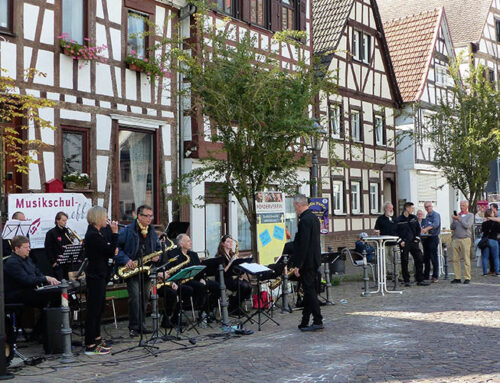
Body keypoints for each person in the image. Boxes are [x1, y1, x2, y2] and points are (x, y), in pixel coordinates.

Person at [115, 205, 161, 337]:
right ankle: (134, 327)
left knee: (145, 297)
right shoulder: (128, 230)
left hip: (147, 269)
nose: (149, 219)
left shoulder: (152, 231)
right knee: (134, 298)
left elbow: (157, 247)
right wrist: (126, 260)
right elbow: (117, 248)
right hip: (132, 268)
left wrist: (157, 256)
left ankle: (142, 325)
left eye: (151, 216)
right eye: (146, 216)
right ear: (139, 216)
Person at [4, 236, 61, 340]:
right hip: (17, 294)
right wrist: (45, 278)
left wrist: (46, 281)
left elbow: (37, 273)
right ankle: (40, 333)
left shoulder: (28, 259)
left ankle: (41, 332)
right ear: (17, 249)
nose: (29, 249)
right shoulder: (12, 263)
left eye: (29, 246)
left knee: (56, 297)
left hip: (28, 291)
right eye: (26, 247)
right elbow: (26, 280)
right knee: (50, 300)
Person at [83, 207, 118, 355]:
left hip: (101, 274)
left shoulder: (97, 233)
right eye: (104, 217)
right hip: (95, 275)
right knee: (94, 309)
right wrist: (115, 234)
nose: (107, 219)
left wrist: (111, 247)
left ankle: (97, 338)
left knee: (100, 307)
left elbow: (109, 249)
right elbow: (110, 250)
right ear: (97, 218)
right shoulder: (92, 235)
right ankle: (90, 344)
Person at [292, 194, 323, 331]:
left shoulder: (304, 220)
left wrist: (298, 264)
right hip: (314, 259)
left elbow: (303, 244)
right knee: (309, 291)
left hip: (307, 261)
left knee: (310, 291)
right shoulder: (314, 218)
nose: (295, 210)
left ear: (299, 205)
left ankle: (317, 319)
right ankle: (305, 320)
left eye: (295, 207)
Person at [395, 202, 429, 287]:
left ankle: (420, 279)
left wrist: (417, 239)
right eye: (411, 208)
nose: (413, 210)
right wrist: (400, 241)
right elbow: (395, 232)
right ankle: (406, 280)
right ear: (407, 208)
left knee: (419, 259)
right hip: (404, 243)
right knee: (404, 261)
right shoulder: (399, 220)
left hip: (414, 242)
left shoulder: (414, 218)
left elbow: (418, 229)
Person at [216, 235, 252, 314]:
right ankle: (233, 307)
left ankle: (236, 304)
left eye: (231, 241)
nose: (231, 243)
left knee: (249, 286)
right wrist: (231, 262)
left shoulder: (232, 254)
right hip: (224, 279)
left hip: (233, 278)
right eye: (228, 241)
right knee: (244, 286)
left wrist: (241, 274)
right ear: (223, 244)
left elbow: (236, 268)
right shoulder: (220, 256)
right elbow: (223, 271)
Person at [450, 200, 474, 284]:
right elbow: (452, 227)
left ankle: (467, 277)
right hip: (456, 238)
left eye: (463, 205)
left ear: (467, 206)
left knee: (466, 258)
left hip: (465, 239)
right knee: (455, 259)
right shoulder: (458, 215)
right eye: (460, 205)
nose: (461, 207)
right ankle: (457, 277)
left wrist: (459, 219)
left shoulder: (470, 215)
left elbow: (467, 225)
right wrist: (454, 220)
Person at [44, 211, 73, 280]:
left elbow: (67, 244)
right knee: (60, 282)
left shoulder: (66, 231)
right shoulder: (51, 233)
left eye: (66, 221)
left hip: (66, 261)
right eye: (63, 220)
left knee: (67, 282)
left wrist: (71, 241)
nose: (65, 222)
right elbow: (48, 248)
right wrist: (53, 262)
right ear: (57, 220)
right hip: (57, 262)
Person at [421, 202, 441, 283]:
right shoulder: (427, 216)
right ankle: (426, 275)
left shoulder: (436, 215)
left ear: (431, 206)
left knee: (433, 257)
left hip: (433, 237)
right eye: (426, 207)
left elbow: (435, 224)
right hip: (426, 238)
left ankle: (435, 276)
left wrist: (426, 229)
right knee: (426, 257)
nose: (427, 208)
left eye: (429, 206)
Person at [480, 209, 500, 276]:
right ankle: (497, 272)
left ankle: (485, 273)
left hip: (486, 240)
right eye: (493, 213)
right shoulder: (496, 223)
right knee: (496, 257)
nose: (494, 213)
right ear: (491, 214)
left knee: (485, 257)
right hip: (494, 240)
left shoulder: (484, 223)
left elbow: (482, 231)